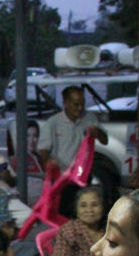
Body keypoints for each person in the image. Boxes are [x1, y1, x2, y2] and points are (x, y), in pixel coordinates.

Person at [37, 86, 109, 216]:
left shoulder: (90, 118)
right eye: (76, 104)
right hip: (62, 177)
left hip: (83, 175)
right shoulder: (54, 122)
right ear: (65, 102)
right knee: (63, 213)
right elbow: (43, 149)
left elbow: (105, 140)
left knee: (83, 213)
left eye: (82, 104)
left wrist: (96, 132)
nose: (80, 108)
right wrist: (49, 160)